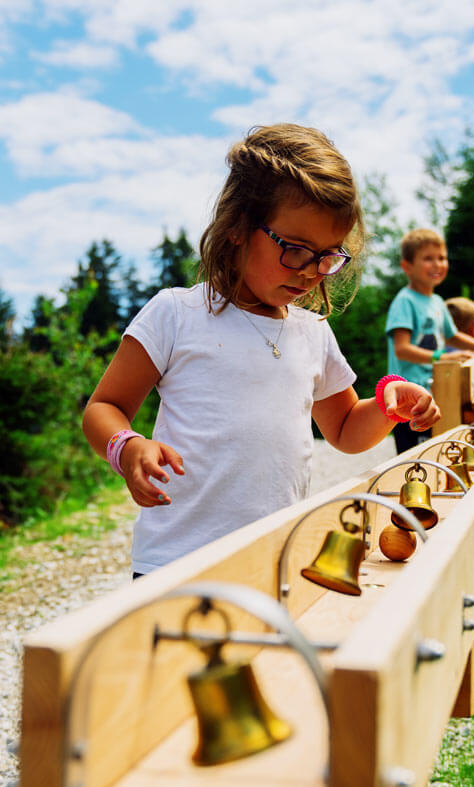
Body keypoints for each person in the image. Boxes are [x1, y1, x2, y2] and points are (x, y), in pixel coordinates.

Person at [83, 124, 440, 576]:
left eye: (329, 255)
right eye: (296, 249)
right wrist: (127, 446)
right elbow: (104, 407)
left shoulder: (313, 332)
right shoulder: (176, 314)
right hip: (174, 566)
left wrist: (393, 403)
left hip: (275, 561)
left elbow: (346, 431)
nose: (313, 271)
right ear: (237, 228)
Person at [384, 228, 474, 454]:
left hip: (434, 395)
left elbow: (452, 336)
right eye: (428, 258)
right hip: (409, 400)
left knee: (438, 457)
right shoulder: (405, 301)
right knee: (413, 462)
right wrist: (443, 357)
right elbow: (402, 349)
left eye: (442, 258)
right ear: (407, 267)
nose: (437, 264)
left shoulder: (437, 302)